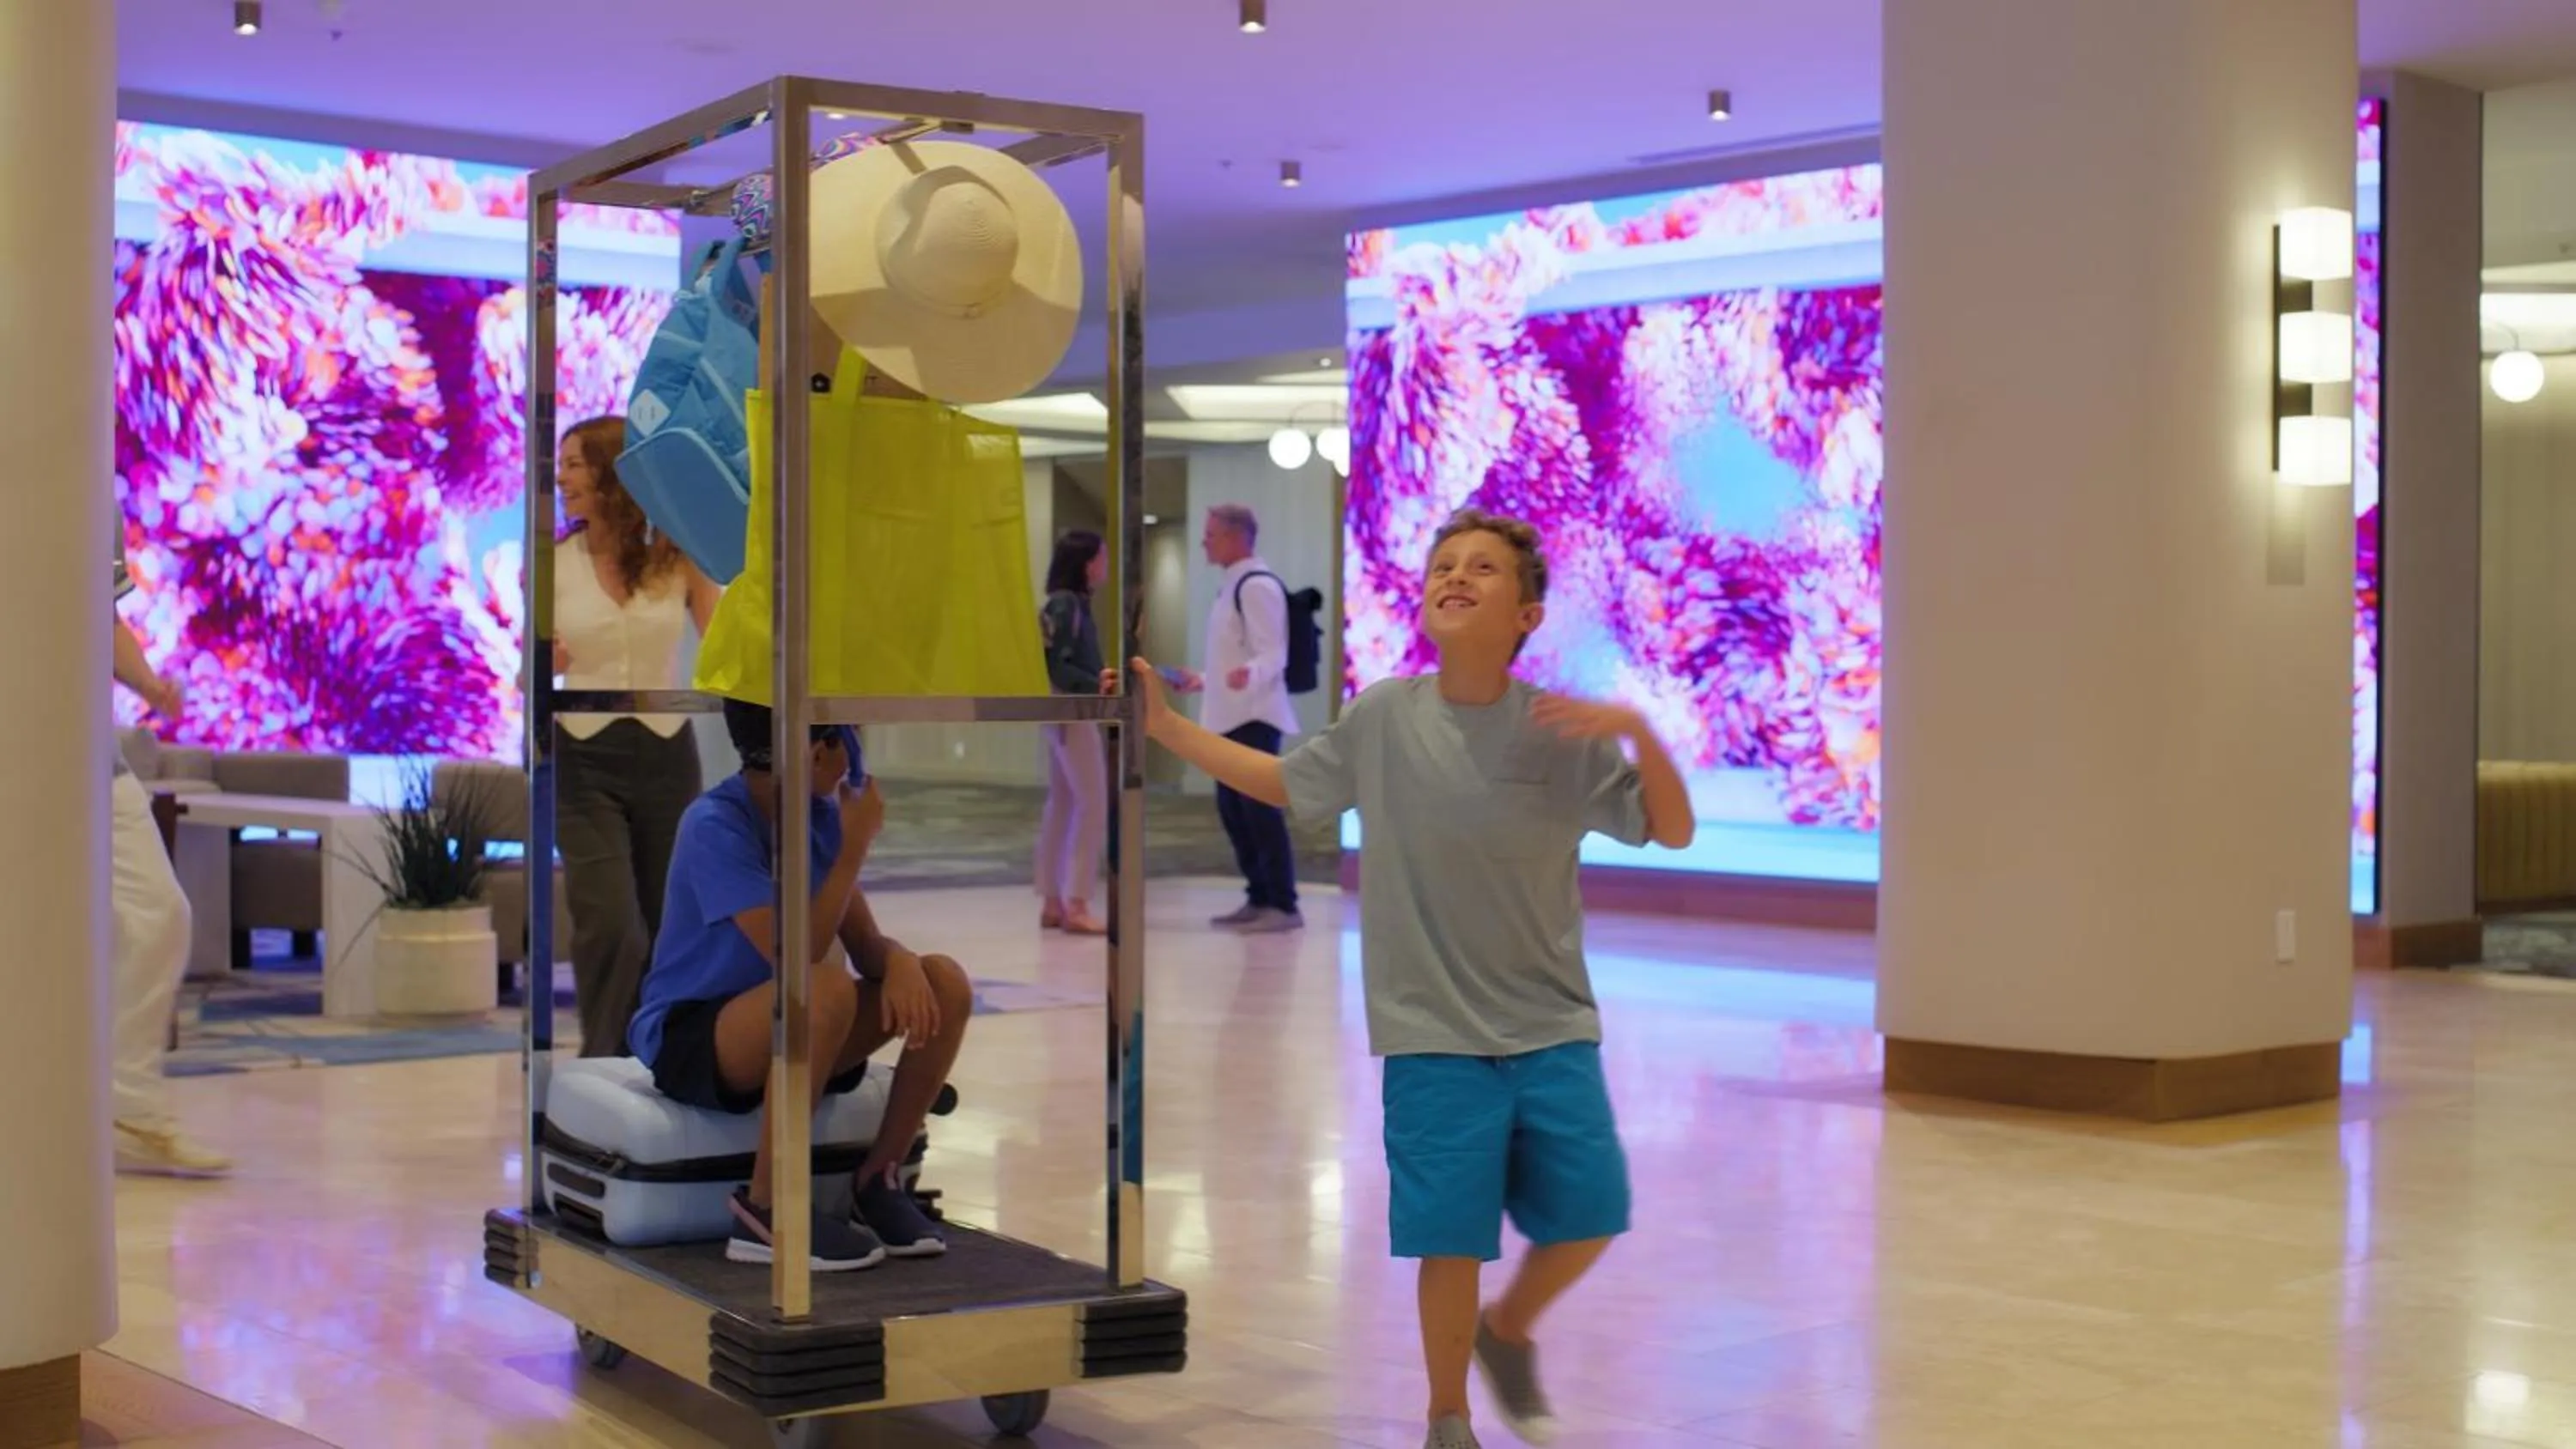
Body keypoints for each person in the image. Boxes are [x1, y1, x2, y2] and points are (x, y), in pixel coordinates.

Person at [1111, 506, 1694, 1449]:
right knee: (1450, 1234)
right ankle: (1447, 1417)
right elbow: (1284, 778)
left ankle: (1508, 1334)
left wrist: (1635, 728)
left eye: (1485, 569)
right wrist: (1170, 726)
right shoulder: (1384, 714)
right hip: (1429, 1029)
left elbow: (1670, 828)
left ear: (1529, 614)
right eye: (1444, 565)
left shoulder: (1559, 731)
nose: (1456, 576)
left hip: (1550, 1022)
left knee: (1590, 1211)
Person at [627, 699, 975, 1270]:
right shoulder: (714, 824)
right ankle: (768, 1206)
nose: (857, 753)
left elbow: (866, 946)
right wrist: (854, 850)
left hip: (795, 1018)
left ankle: (878, 1181)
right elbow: (796, 958)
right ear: (819, 751)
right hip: (693, 1035)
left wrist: (905, 961)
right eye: (849, 738)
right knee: (823, 986)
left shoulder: (816, 820)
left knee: (945, 982)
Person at [552, 416, 723, 1057]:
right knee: (613, 925)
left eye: (574, 463)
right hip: (582, 758)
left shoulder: (675, 556)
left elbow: (723, 643)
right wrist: (549, 660)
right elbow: (525, 672)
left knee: (667, 925)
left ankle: (655, 1060)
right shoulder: (549, 563)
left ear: (613, 473)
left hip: (664, 755)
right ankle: (600, 1065)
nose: (562, 477)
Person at [108, 555, 228, 1177]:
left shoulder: (97, 489)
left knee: (160, 914)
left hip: (91, 756)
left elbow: (101, 620)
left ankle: (129, 1110)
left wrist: (151, 687)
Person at [1173, 503, 1302, 932]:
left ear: (1237, 537)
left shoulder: (1257, 586)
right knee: (1234, 811)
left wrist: (1253, 674)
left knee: (1259, 811)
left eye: (1212, 533)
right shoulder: (1231, 586)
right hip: (1229, 716)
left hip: (1253, 716)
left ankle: (1282, 903)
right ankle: (1259, 895)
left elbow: (1272, 652)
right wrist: (1206, 680)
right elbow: (1236, 657)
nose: (1205, 541)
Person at [1035, 529, 1109, 936]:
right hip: (1071, 709)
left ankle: (1053, 899)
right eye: (1102, 557)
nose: (1106, 566)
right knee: (1093, 802)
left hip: (1060, 708)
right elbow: (1057, 663)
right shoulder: (1068, 606)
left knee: (1062, 801)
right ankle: (1077, 900)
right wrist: (1096, 685)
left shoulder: (1064, 604)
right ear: (1087, 564)